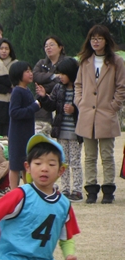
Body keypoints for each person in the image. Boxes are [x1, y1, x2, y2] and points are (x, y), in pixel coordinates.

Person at [74, 25, 125, 204]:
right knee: (89, 155)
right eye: (93, 38)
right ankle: (91, 189)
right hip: (87, 113)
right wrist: (79, 102)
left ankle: (109, 189)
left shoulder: (117, 61)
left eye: (99, 38)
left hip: (106, 113)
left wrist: (113, 106)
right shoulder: (85, 61)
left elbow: (121, 86)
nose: (95, 41)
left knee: (107, 154)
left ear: (106, 40)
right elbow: (78, 85)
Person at [37, 58, 83, 201]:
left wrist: (74, 110)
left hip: (76, 132)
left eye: (63, 74)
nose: (60, 77)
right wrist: (44, 97)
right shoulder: (58, 88)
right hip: (61, 131)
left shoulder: (80, 89)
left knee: (75, 161)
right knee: (63, 161)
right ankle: (65, 189)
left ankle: (77, 190)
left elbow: (85, 108)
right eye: (59, 74)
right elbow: (51, 106)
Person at [8, 61, 42, 189]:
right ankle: (13, 191)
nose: (30, 73)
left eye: (30, 71)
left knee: (25, 163)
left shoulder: (26, 90)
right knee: (15, 165)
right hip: (17, 134)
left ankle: (27, 188)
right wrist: (34, 107)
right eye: (27, 71)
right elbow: (14, 112)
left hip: (27, 133)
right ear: (18, 74)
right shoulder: (17, 91)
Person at [33, 35, 69, 134]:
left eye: (51, 45)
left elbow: (65, 81)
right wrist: (53, 76)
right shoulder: (41, 63)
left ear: (60, 47)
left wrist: (45, 85)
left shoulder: (67, 62)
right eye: (46, 46)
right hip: (43, 106)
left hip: (63, 101)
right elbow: (35, 77)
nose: (48, 48)